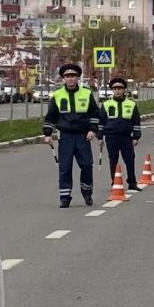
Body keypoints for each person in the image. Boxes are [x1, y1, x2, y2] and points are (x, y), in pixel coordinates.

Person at [44, 63, 99, 208]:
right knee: (65, 168)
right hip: (66, 136)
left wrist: (92, 130)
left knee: (87, 165)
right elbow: (51, 117)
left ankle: (87, 193)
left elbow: (94, 114)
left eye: (73, 76)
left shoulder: (86, 93)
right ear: (63, 78)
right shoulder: (57, 94)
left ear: (77, 78)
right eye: (67, 76)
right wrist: (48, 134)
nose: (70, 79)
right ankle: (65, 197)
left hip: (83, 135)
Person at [100, 74, 143, 194]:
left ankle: (132, 183)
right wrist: (100, 137)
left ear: (124, 90)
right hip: (111, 136)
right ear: (112, 90)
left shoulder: (131, 104)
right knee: (113, 159)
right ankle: (115, 182)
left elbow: (136, 121)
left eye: (119, 88)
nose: (117, 91)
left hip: (125, 137)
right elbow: (101, 122)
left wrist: (136, 136)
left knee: (130, 159)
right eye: (115, 89)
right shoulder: (106, 105)